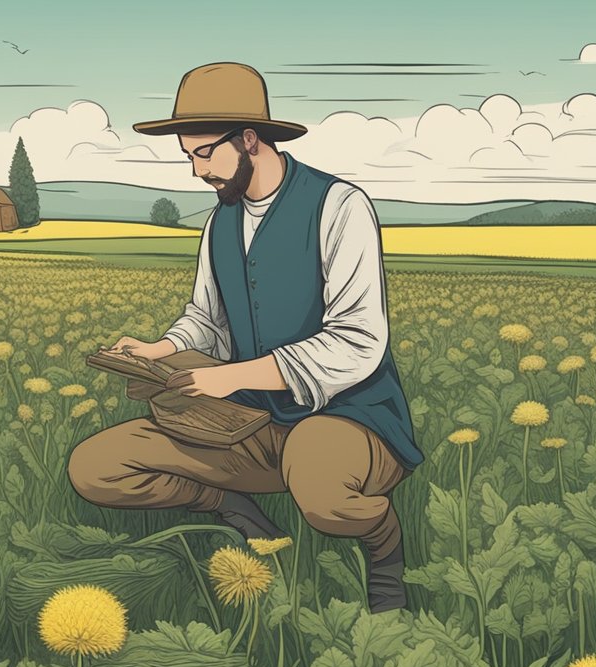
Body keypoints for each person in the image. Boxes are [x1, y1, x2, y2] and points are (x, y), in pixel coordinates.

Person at [67, 62, 424, 613]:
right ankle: (231, 504)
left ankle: (385, 557)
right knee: (95, 467)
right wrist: (158, 349)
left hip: (350, 419)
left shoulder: (339, 206)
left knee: (324, 493)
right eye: (188, 155)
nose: (195, 171)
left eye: (204, 152)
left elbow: (358, 340)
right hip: (250, 422)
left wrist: (227, 377)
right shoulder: (220, 222)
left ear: (250, 140)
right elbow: (207, 318)